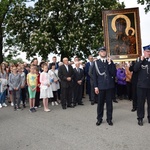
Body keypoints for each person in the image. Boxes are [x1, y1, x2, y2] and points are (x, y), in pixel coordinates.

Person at [93, 47, 116, 126]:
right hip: (101, 87)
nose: (103, 53)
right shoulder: (96, 63)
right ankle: (99, 119)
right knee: (100, 104)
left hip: (109, 86)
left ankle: (109, 119)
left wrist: (110, 64)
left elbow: (113, 73)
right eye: (101, 51)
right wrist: (95, 87)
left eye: (104, 51)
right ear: (99, 53)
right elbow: (94, 76)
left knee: (109, 104)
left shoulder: (110, 62)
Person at [134, 44, 150, 126]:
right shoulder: (139, 60)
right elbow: (135, 69)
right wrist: (140, 60)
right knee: (140, 103)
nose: (149, 53)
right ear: (144, 52)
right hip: (141, 86)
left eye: (149, 51)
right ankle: (140, 118)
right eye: (147, 51)